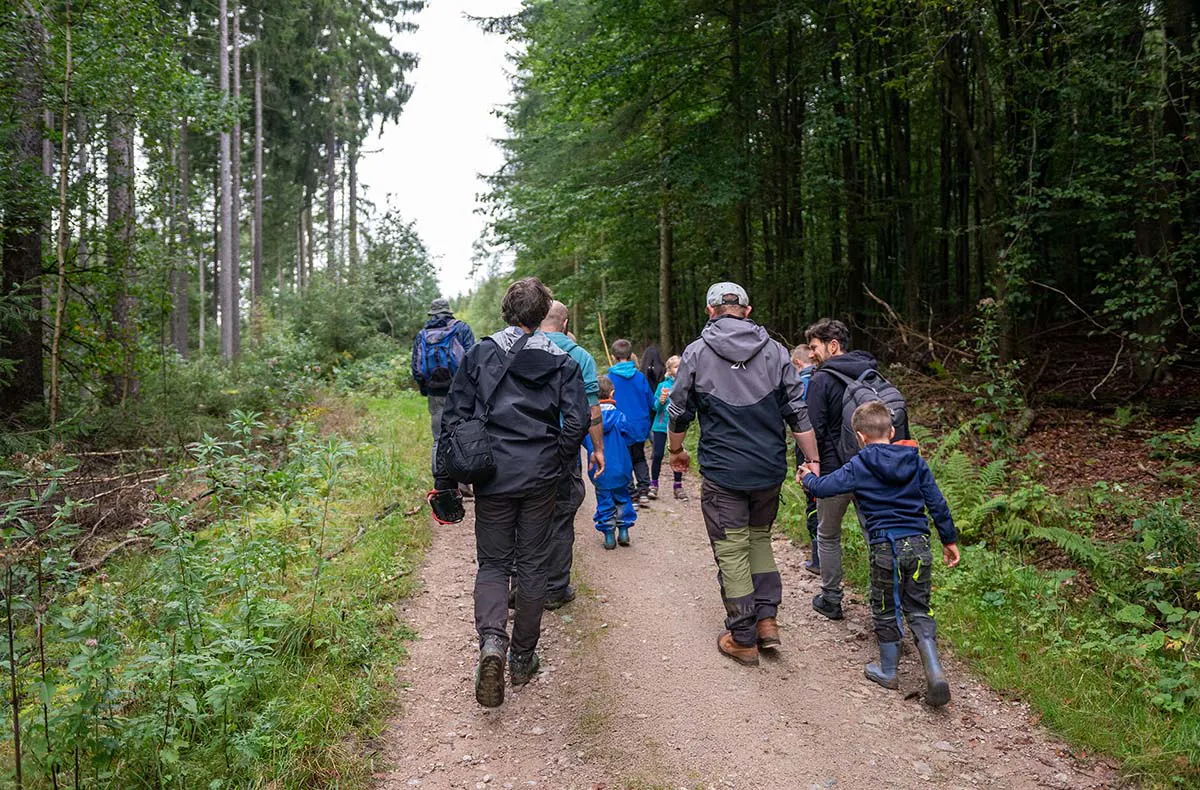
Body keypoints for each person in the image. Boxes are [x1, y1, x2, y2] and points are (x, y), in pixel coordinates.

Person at [434, 277, 588, 708]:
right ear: (543, 316)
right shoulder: (564, 362)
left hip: (492, 474)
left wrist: (446, 479)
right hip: (540, 475)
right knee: (534, 564)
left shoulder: (481, 354)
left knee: (494, 562)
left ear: (506, 311)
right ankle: (522, 658)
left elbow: (454, 419)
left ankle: (492, 644)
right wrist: (554, 460)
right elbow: (575, 424)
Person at [667, 282, 820, 666]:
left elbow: (678, 410)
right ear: (747, 311)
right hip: (768, 468)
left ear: (709, 310)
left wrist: (675, 451)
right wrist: (813, 460)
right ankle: (767, 620)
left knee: (732, 548)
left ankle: (743, 635)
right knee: (759, 539)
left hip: (724, 471)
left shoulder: (697, 352)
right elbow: (797, 412)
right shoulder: (776, 352)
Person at [799, 400, 960, 707]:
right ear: (893, 430)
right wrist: (949, 540)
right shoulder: (915, 461)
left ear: (859, 436)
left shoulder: (859, 464)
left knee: (885, 605)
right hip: (919, 546)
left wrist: (806, 477)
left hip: (885, 547)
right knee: (918, 606)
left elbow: (824, 487)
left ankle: (888, 670)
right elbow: (937, 502)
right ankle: (935, 670)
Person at [805, 317, 879, 621]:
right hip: (872, 467)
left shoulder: (821, 379)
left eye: (814, 347)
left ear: (833, 346)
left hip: (834, 472)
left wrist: (809, 470)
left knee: (828, 534)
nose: (810, 354)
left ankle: (832, 599)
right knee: (875, 537)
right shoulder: (870, 373)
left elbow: (812, 429)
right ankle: (882, 607)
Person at [538, 301, 605, 608]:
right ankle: (555, 588)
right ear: (565, 325)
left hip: (523, 446)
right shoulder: (580, 356)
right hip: (565, 447)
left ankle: (521, 586)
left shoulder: (519, 348)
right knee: (562, 514)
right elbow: (592, 409)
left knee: (525, 513)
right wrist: (598, 449)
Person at [412, 297, 475, 487]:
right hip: (459, 391)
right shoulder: (461, 329)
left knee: (438, 437)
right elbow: (472, 360)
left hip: (435, 392)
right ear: (449, 311)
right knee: (460, 434)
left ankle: (441, 482)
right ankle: (464, 483)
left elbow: (416, 368)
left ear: (432, 313)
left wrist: (426, 389)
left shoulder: (422, 335)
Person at [585, 376, 638, 549]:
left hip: (600, 469)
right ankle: (623, 531)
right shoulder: (619, 416)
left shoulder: (589, 421)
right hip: (621, 468)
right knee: (623, 497)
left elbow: (584, 440)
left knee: (604, 500)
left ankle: (609, 536)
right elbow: (630, 436)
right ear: (612, 393)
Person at [607, 339, 655, 506]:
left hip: (620, 425)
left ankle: (631, 494)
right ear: (631, 355)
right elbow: (650, 401)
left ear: (614, 356)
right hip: (640, 424)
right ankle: (644, 491)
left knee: (624, 459)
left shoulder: (610, 377)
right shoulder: (640, 377)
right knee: (639, 457)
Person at [791, 344, 820, 574]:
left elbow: (797, 420)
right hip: (829, 453)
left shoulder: (802, 384)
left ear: (798, 364)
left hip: (809, 452)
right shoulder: (825, 377)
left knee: (813, 504)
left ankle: (817, 559)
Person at [649, 355, 687, 500]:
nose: (679, 369)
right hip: (660, 425)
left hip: (676, 427)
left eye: (681, 366)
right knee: (657, 455)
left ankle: (678, 485)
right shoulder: (662, 386)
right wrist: (661, 400)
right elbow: (655, 407)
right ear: (669, 370)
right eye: (676, 366)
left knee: (677, 453)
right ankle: (654, 485)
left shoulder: (685, 385)